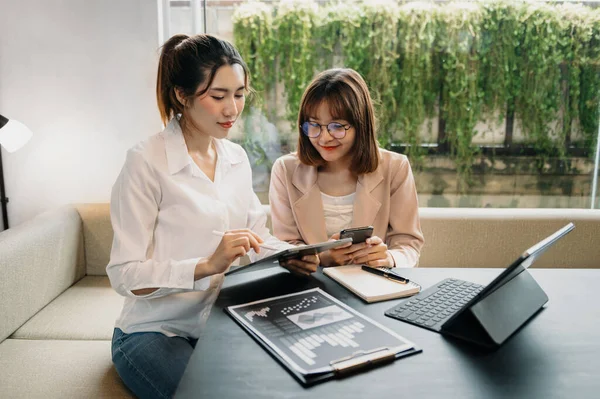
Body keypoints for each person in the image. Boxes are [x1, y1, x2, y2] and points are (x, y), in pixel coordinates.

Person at [106, 34, 319, 399]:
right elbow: (123, 274)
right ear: (181, 95)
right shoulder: (145, 162)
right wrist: (206, 264)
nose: (232, 109)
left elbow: (255, 236)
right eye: (218, 96)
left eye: (239, 94)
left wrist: (288, 254)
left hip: (223, 321)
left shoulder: (235, 158)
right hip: (155, 330)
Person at [269, 68, 424, 268]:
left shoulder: (395, 167)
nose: (324, 138)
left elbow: (408, 244)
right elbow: (286, 247)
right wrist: (323, 258)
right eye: (314, 125)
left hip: (373, 285)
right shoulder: (285, 170)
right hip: (311, 287)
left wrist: (388, 258)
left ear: (361, 124)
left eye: (337, 126)